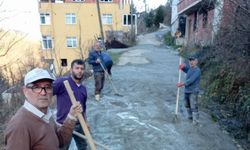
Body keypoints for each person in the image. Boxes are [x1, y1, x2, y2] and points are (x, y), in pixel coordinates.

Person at [4, 68, 82, 150]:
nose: (43, 92)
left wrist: (71, 116)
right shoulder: (20, 126)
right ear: (25, 91)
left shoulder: (46, 114)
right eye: (36, 87)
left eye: (48, 87)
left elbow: (59, 141)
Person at [53, 59, 89, 150]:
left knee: (83, 146)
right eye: (77, 68)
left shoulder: (83, 88)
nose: (80, 71)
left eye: (82, 68)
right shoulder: (62, 82)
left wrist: (86, 122)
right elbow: (46, 94)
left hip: (79, 124)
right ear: (71, 70)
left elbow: (83, 108)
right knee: (63, 147)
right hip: (64, 125)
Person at [176, 56, 201, 125]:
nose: (191, 62)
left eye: (193, 60)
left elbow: (191, 80)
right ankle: (190, 118)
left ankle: (196, 122)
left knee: (193, 106)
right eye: (190, 60)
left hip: (193, 91)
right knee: (187, 105)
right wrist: (182, 67)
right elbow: (187, 70)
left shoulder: (197, 71)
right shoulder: (190, 69)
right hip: (187, 91)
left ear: (196, 61)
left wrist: (182, 84)